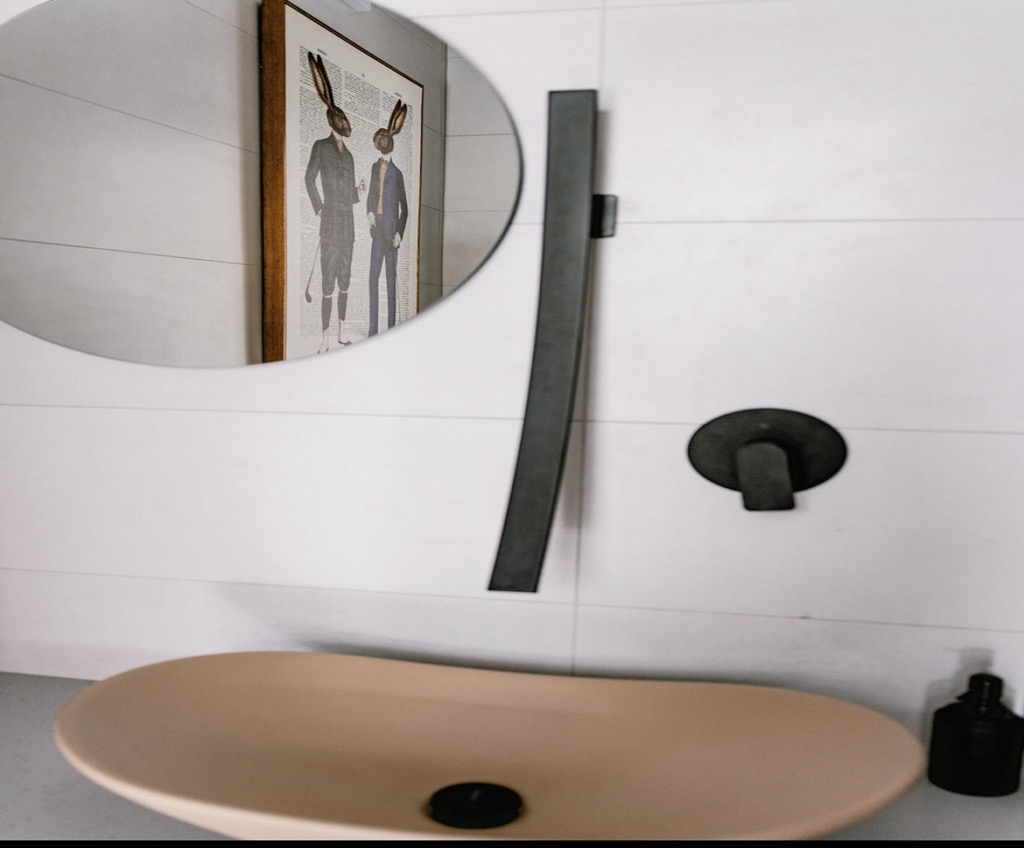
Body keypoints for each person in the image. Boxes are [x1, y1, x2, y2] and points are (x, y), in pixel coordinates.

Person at [304, 52, 364, 352]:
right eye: (342, 118)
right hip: (330, 223)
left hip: (348, 227)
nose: (346, 122)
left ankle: (341, 334)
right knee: (327, 279)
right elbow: (309, 179)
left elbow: (349, 196)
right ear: (332, 120)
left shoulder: (349, 156)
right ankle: (325, 339)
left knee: (345, 277)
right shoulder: (321, 146)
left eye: (346, 118)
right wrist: (319, 208)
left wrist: (358, 192)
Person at [366, 100, 409, 336]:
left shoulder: (398, 174)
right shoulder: (375, 167)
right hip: (377, 229)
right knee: (373, 277)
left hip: (391, 230)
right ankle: (373, 331)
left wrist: (399, 234)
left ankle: (391, 331)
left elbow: (405, 209)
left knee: (390, 280)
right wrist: (369, 212)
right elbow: (371, 197)